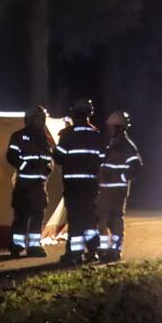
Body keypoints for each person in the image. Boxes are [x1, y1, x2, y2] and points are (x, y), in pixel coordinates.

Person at [54, 98, 105, 263]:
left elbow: (59, 157)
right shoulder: (96, 134)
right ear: (90, 113)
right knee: (90, 219)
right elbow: (102, 159)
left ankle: (74, 254)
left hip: (73, 185)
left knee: (75, 219)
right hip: (91, 185)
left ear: (73, 113)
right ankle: (92, 252)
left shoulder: (68, 134)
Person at [6, 105, 54, 257]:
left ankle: (34, 246)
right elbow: (11, 156)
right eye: (39, 118)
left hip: (39, 185)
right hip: (24, 184)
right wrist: (26, 166)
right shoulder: (19, 136)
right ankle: (16, 245)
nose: (41, 121)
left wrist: (47, 168)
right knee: (21, 215)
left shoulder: (45, 138)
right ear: (30, 119)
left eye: (42, 118)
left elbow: (48, 158)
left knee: (37, 215)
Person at [97, 111, 143, 261]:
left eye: (112, 127)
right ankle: (103, 250)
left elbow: (135, 166)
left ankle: (115, 250)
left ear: (120, 127)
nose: (109, 129)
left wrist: (121, 177)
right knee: (102, 219)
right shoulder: (111, 143)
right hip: (105, 188)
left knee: (115, 219)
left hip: (117, 189)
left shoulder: (126, 145)